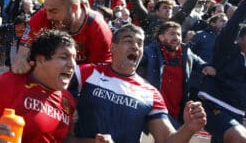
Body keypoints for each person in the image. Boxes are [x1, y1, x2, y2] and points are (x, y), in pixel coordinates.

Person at [68, 24, 207, 142]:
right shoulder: (85, 73)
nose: (135, 47)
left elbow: (166, 139)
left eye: (140, 43)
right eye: (128, 41)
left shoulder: (150, 93)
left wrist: (188, 128)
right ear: (113, 47)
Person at [0, 29, 77, 143]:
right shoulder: (5, 86)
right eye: (63, 57)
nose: (72, 65)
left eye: (74, 58)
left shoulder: (67, 100)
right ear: (40, 60)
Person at [198, 0, 246, 143]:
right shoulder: (227, 50)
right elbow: (233, 25)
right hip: (213, 106)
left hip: (237, 113)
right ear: (239, 40)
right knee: (242, 138)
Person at [12, 0, 112, 74]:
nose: (48, 16)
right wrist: (21, 60)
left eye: (54, 11)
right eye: (46, 10)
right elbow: (23, 49)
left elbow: (100, 74)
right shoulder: (43, 15)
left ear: (74, 8)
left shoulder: (99, 30)